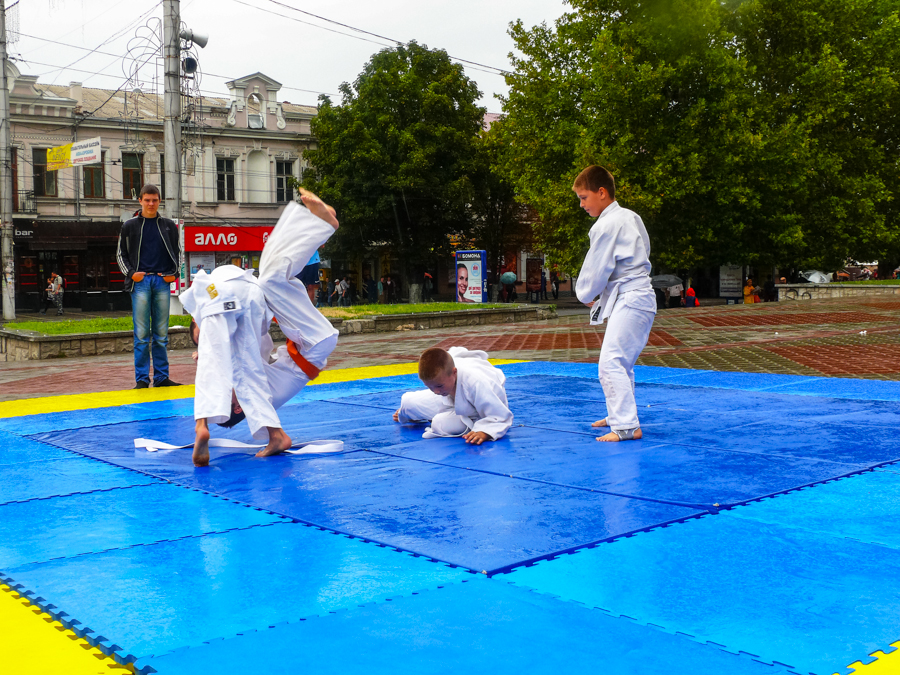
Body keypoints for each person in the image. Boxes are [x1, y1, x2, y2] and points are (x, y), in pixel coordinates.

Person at [184, 190, 340, 467]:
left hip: (289, 327)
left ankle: (320, 224)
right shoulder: (251, 390)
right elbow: (243, 370)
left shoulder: (252, 378)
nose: (228, 385)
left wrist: (209, 351)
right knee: (267, 281)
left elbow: (252, 345)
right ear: (235, 407)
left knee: (270, 276)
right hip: (311, 343)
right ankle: (323, 226)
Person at [572, 165, 656, 443]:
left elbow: (597, 267)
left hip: (632, 297)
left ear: (602, 193)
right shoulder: (630, 217)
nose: (581, 204)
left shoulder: (606, 225)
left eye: (584, 197)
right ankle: (619, 414)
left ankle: (626, 426)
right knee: (622, 362)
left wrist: (585, 294)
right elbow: (642, 250)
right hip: (637, 296)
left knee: (611, 363)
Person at [117, 184, 181, 389]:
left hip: (162, 281)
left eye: (154, 200)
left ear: (159, 201)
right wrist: (131, 274)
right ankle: (142, 379)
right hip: (141, 283)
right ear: (140, 201)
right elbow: (120, 254)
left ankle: (162, 377)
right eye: (147, 200)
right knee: (142, 334)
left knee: (161, 334)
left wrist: (174, 275)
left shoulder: (169, 225)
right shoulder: (130, 225)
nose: (151, 204)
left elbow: (178, 253)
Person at [392, 346, 513, 444]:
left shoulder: (477, 382)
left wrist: (484, 432)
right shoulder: (443, 378)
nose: (435, 391)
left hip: (475, 412)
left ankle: (436, 417)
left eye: (439, 386)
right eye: (430, 387)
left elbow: (500, 416)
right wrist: (412, 410)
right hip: (450, 398)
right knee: (408, 404)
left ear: (454, 372)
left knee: (440, 423)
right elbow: (441, 359)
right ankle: (417, 414)